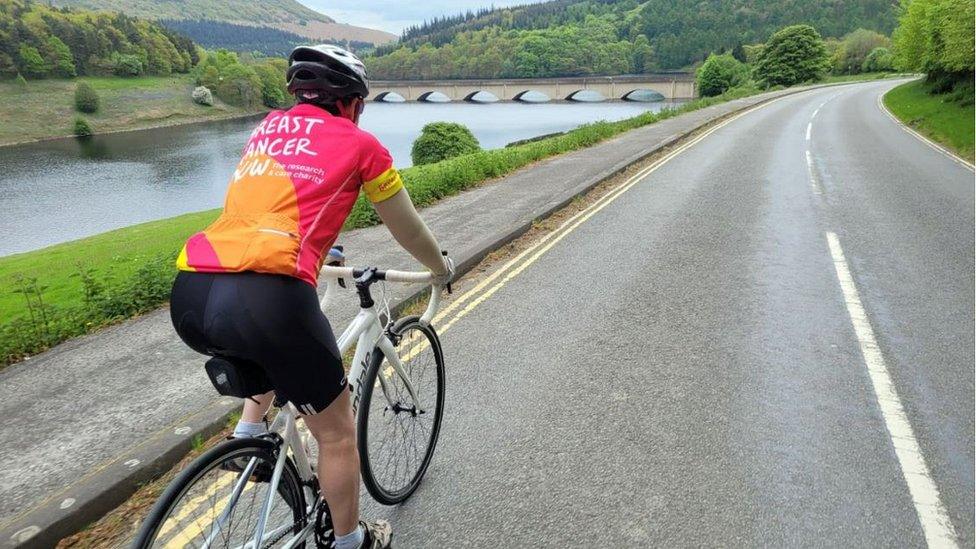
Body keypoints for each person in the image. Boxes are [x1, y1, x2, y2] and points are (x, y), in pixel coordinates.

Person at [169, 44, 452, 549]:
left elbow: (275, 208)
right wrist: (439, 267)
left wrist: (322, 250)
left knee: (271, 350)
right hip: (271, 297)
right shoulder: (362, 145)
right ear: (349, 102)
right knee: (338, 435)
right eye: (361, 104)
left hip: (195, 289)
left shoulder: (264, 131)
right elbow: (408, 230)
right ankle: (351, 541)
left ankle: (249, 435)